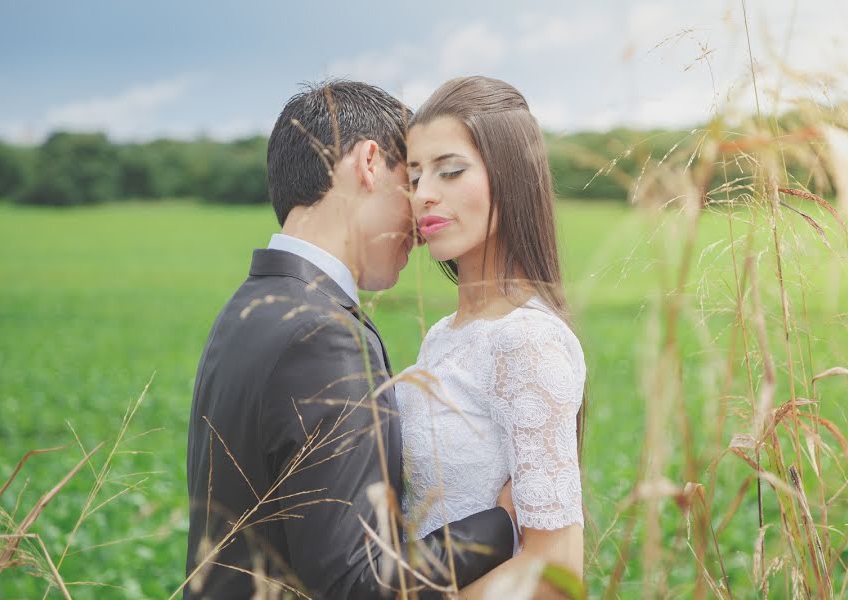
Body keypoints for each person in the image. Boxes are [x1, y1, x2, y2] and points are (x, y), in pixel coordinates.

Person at [184, 80, 516, 599]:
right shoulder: (321, 334)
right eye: (411, 175)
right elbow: (357, 584)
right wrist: (501, 524)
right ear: (368, 163)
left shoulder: (246, 309)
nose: (425, 208)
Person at [397, 76, 586, 598]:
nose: (424, 195)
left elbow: (556, 574)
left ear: (511, 177)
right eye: (413, 177)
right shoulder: (443, 335)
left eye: (450, 171)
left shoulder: (525, 339)